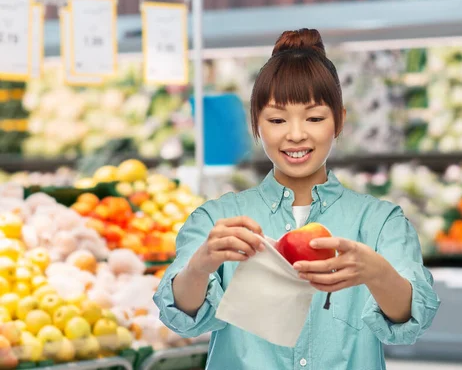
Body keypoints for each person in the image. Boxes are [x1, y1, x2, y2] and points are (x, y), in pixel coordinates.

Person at [153, 28, 440, 369]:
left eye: (315, 118)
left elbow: (412, 321)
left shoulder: (380, 223)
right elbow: (180, 317)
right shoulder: (218, 220)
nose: (296, 134)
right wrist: (200, 266)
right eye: (276, 119)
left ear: (339, 121)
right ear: (256, 124)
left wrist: (375, 272)